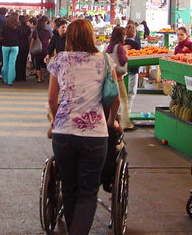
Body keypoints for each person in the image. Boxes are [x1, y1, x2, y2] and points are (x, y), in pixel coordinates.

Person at [47, 19, 121, 235]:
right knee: (88, 192)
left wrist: (55, 121)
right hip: (94, 136)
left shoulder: (59, 60)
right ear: (91, 36)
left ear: (68, 37)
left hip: (63, 135)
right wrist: (112, 121)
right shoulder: (104, 60)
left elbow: (52, 99)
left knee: (69, 189)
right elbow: (114, 98)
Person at [107, 26, 134, 130]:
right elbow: (122, 61)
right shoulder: (119, 47)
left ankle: (113, 119)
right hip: (118, 77)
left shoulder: (109, 46)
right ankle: (126, 122)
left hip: (110, 76)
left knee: (111, 100)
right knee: (123, 99)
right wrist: (126, 54)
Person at [124, 23, 142, 114]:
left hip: (122, 71)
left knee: (122, 93)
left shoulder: (120, 44)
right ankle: (128, 112)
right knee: (131, 92)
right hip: (133, 70)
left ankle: (121, 113)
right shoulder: (136, 44)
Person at [0, 13, 20, 85]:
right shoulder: (18, 26)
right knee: (12, 63)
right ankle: (10, 81)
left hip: (5, 45)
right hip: (15, 46)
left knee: (5, 63)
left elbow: (2, 36)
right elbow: (19, 36)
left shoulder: (5, 26)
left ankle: (5, 79)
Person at [32, 17, 51, 83]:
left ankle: (39, 78)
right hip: (45, 49)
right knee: (43, 64)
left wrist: (31, 48)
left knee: (37, 64)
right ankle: (43, 77)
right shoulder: (47, 32)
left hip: (37, 50)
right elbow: (49, 41)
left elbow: (32, 41)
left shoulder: (35, 32)